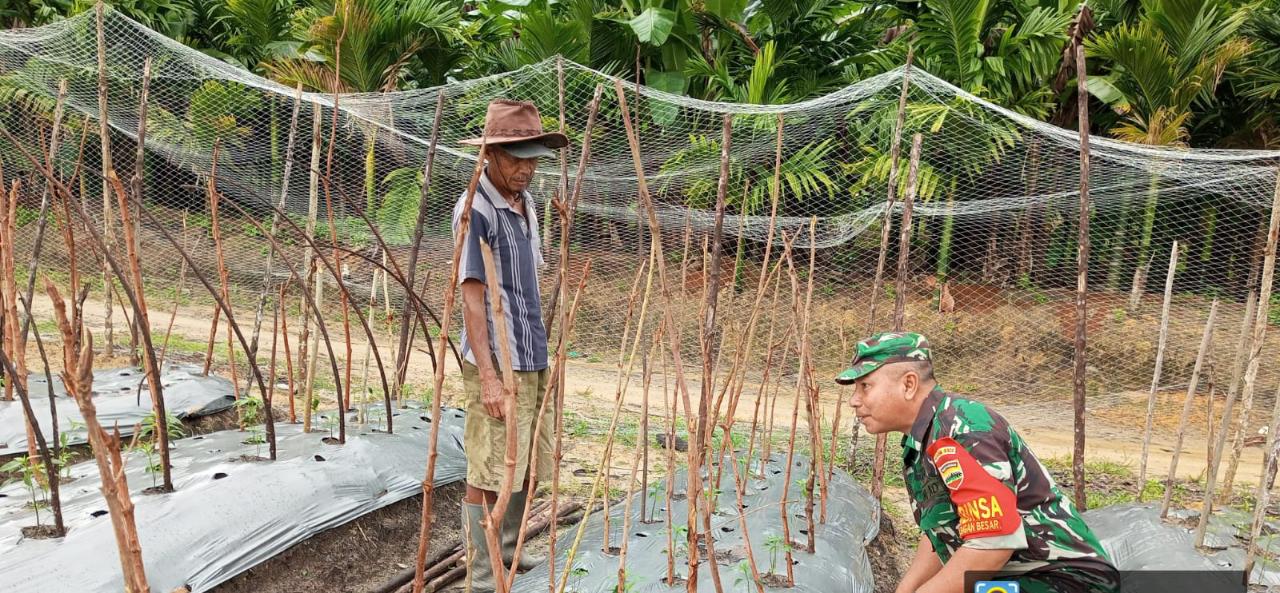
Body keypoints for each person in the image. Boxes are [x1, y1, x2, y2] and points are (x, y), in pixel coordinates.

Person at [837, 332, 1120, 593]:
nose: (854, 400)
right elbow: (942, 529)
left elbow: (994, 543)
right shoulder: (926, 437)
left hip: (1063, 580)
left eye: (865, 386)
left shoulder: (963, 430)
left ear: (909, 384)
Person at [454, 98, 567, 593]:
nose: (526, 169)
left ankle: (506, 556)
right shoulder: (474, 209)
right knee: (488, 465)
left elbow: (528, 285)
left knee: (525, 463)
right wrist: (491, 378)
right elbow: (473, 303)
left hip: (532, 353)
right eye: (516, 158)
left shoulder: (526, 206)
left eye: (533, 158)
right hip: (497, 360)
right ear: (490, 155)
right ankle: (482, 580)